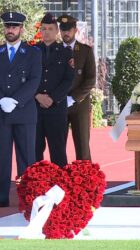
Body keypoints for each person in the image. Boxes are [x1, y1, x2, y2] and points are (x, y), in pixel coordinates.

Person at [0, 11, 42, 207]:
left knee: (27, 158)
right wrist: (2, 100)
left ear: (21, 29)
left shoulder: (33, 53)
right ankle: (1, 198)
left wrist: (14, 100)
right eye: (7, 26)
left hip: (24, 112)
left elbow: (34, 81)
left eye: (14, 26)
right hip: (1, 112)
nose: (10, 30)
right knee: (2, 158)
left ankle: (29, 197)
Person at [35, 13, 74, 167]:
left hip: (56, 109)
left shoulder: (66, 52)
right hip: (35, 108)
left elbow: (68, 80)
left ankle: (59, 188)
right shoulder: (32, 51)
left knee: (58, 151)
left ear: (57, 30)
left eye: (50, 29)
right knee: (34, 150)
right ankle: (35, 186)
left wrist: (52, 98)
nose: (46, 32)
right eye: (43, 29)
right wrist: (37, 95)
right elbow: (25, 77)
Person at [57, 14, 96, 161]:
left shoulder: (85, 51)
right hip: (59, 103)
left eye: (69, 29)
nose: (65, 33)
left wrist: (74, 97)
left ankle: (85, 179)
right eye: (63, 29)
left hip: (80, 104)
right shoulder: (55, 49)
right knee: (58, 144)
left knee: (82, 144)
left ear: (75, 30)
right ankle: (61, 178)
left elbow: (91, 79)